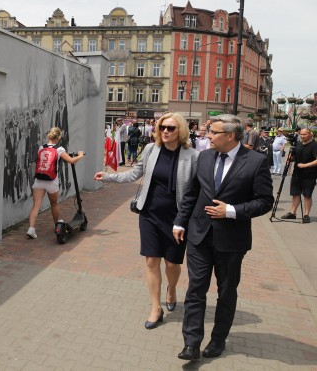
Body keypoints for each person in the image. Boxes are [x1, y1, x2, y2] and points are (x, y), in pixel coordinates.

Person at [173, 114, 273, 360]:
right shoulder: (205, 156)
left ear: (230, 135)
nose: (207, 136)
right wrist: (179, 221)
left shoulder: (255, 162)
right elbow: (192, 193)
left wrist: (231, 211)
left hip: (231, 240)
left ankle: (218, 340)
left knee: (226, 292)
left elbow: (265, 201)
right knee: (195, 290)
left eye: (213, 132)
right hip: (199, 236)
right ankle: (191, 344)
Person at [95, 113, 199, 329]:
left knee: (172, 263)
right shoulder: (152, 150)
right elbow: (134, 174)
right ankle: (155, 308)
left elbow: (196, 190)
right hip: (150, 213)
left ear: (181, 130)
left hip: (177, 218)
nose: (165, 132)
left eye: (170, 128)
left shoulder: (193, 156)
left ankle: (171, 289)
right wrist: (108, 176)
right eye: (162, 128)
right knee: (152, 260)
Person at [27, 127, 84, 239]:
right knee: (54, 204)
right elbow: (71, 161)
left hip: (39, 180)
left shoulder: (41, 148)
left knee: (36, 205)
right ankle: (57, 225)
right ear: (58, 138)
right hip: (51, 181)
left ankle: (31, 228)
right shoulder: (59, 150)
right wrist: (80, 155)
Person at [281, 128, 317, 223]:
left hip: (309, 175)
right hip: (297, 173)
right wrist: (290, 158)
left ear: (310, 134)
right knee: (295, 193)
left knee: (307, 195)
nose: (302, 136)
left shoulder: (314, 145)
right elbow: (294, 157)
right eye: (301, 134)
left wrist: (305, 165)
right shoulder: (298, 144)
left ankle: (306, 215)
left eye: (305, 134)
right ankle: (292, 213)